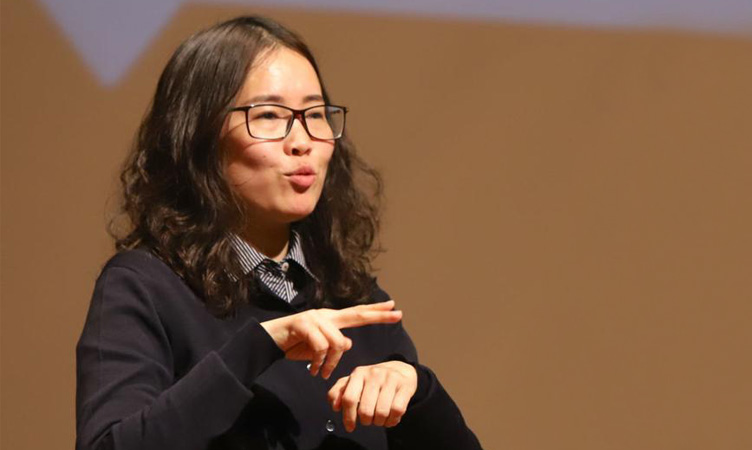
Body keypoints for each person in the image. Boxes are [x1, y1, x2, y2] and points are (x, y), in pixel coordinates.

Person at [75, 15, 481, 450]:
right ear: (198, 137)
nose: (302, 140)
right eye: (269, 115)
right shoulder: (145, 287)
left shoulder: (354, 296)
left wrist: (417, 390)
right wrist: (264, 343)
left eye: (315, 114)